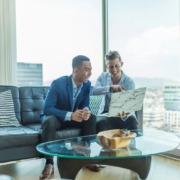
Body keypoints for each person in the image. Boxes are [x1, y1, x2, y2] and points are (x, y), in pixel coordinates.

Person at [40, 55, 96, 180]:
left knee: (91, 118)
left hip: (75, 119)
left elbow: (85, 103)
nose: (90, 73)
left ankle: (86, 156)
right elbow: (47, 109)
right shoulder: (58, 83)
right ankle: (49, 163)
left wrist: (86, 110)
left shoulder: (87, 85)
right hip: (58, 119)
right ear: (76, 70)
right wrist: (70, 115)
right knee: (49, 121)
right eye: (87, 69)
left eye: (90, 69)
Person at [92, 50, 138, 132]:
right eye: (111, 67)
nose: (114, 70)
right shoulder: (103, 77)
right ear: (106, 66)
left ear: (121, 64)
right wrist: (110, 88)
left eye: (117, 66)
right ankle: (105, 144)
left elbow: (131, 105)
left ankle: (131, 144)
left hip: (124, 114)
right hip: (106, 114)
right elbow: (94, 91)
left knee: (132, 121)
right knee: (100, 123)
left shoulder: (129, 82)